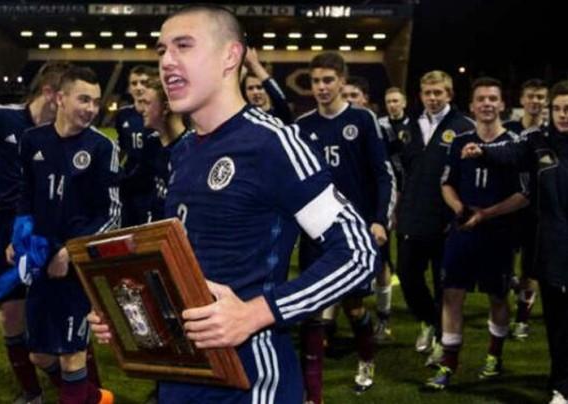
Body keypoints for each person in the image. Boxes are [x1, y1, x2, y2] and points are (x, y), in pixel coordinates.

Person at [89, 5, 378, 404]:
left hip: (250, 381)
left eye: (183, 46)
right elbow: (189, 265)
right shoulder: (184, 150)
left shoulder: (272, 144)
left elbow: (358, 253)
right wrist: (130, 311)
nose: (166, 62)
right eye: (161, 51)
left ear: (230, 56)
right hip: (183, 374)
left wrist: (256, 313)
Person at [461, 80, 568, 404]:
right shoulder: (540, 142)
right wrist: (483, 151)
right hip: (549, 251)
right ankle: (559, 381)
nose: (562, 114)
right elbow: (510, 151)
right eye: (557, 109)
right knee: (555, 326)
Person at [0, 61, 70, 404]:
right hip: (3, 233)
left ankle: (77, 391)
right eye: (66, 94)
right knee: (10, 315)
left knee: (58, 318)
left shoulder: (66, 131)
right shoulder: (3, 118)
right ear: (49, 93)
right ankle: (32, 393)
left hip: (45, 234)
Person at [16, 65, 119, 404]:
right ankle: (94, 398)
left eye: (96, 102)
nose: (92, 109)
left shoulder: (101, 147)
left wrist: (70, 251)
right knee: (40, 355)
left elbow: (111, 215)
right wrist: (19, 238)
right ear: (60, 98)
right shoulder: (33, 140)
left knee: (72, 354)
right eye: (83, 99)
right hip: (41, 261)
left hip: (78, 267)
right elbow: (26, 196)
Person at [297, 52, 395, 400]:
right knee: (312, 310)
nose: (321, 87)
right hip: (315, 232)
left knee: (354, 308)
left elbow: (383, 175)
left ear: (341, 81)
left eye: (328, 80)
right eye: (316, 81)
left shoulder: (362, 119)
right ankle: (313, 392)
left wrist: (379, 220)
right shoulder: (303, 125)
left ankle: (366, 361)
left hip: (353, 233)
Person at [425, 77, 529, 390]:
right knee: (452, 294)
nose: (486, 104)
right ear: (471, 106)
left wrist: (485, 214)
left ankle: (494, 356)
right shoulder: (459, 141)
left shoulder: (516, 144)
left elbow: (524, 195)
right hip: (463, 231)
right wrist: (460, 210)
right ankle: (448, 364)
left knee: (497, 297)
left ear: (502, 104)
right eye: (481, 99)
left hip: (499, 233)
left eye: (492, 98)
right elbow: (446, 183)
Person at [394, 71, 475, 366]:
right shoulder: (410, 127)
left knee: (445, 287)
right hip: (412, 218)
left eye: (438, 92)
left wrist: (460, 213)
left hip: (446, 222)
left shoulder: (464, 127)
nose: (432, 98)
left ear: (449, 94)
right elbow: (403, 172)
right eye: (427, 93)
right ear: (420, 95)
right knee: (407, 276)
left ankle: (442, 339)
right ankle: (428, 320)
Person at [503, 78, 549, 340]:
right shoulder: (508, 129)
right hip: (508, 207)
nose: (535, 101)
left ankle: (521, 320)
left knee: (530, 269)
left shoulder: (552, 132)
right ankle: (504, 303)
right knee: (502, 263)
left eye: (540, 97)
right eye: (531, 96)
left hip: (538, 211)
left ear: (546, 101)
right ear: (522, 100)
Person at [374, 86, 410, 342]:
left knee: (403, 243)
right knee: (382, 253)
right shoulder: (380, 125)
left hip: (408, 193)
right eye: (389, 101)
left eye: (396, 101)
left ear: (404, 102)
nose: (393, 105)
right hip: (386, 193)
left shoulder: (413, 126)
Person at [115, 65, 160, 226]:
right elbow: (121, 146)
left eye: (144, 82)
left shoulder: (159, 113)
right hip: (130, 180)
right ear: (128, 88)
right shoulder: (123, 115)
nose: (139, 87)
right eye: (134, 83)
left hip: (153, 180)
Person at [140, 77, 190, 221]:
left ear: (166, 108)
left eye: (147, 103)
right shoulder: (152, 144)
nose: (142, 110)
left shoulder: (191, 150)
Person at [241, 47, 293, 123]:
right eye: (250, 88)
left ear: (267, 90)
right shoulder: (243, 118)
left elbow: (280, 99)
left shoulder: (280, 115)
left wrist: (255, 64)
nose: (255, 92)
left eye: (259, 87)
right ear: (245, 92)